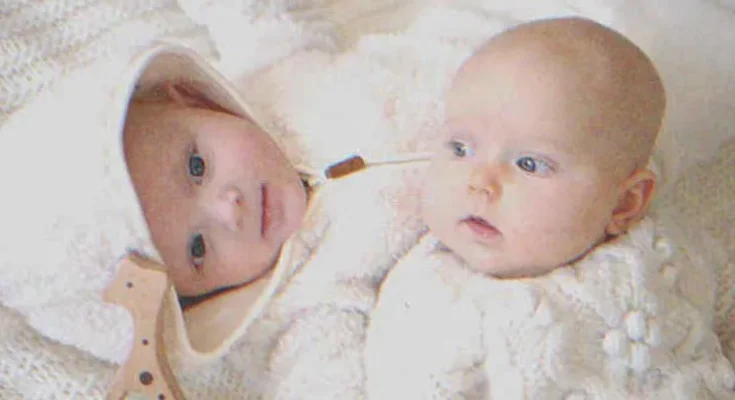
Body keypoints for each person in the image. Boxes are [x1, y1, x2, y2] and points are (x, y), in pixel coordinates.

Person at [0, 0, 430, 397]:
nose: (228, 207)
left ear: (191, 98)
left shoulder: (272, 71)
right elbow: (322, 379)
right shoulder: (299, 306)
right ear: (197, 302)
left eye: (196, 167)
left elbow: (253, 13)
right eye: (198, 248)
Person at [365, 16, 735, 399]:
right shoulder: (422, 284)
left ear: (625, 203)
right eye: (460, 149)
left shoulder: (666, 263)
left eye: (529, 164)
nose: (479, 182)